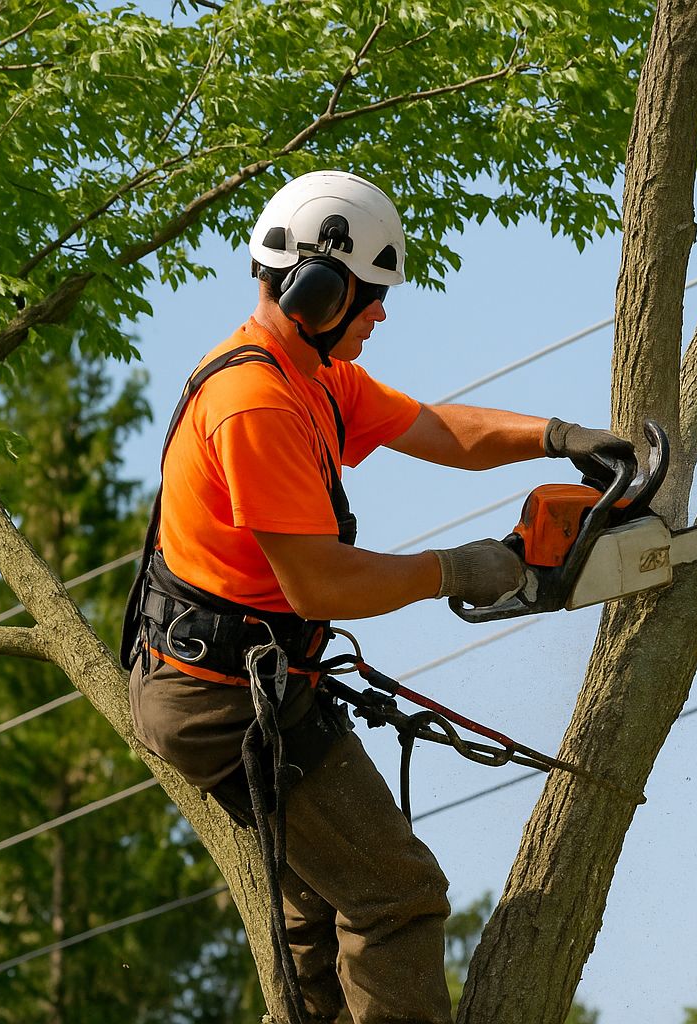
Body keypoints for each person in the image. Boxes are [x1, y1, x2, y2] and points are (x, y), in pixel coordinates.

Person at [122, 170, 632, 1024]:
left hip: (236, 677)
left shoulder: (310, 374)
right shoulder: (256, 402)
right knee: (397, 896)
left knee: (315, 915)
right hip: (222, 702)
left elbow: (439, 429)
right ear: (319, 290)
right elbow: (320, 582)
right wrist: (461, 569)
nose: (383, 315)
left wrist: (563, 437)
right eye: (372, 298)